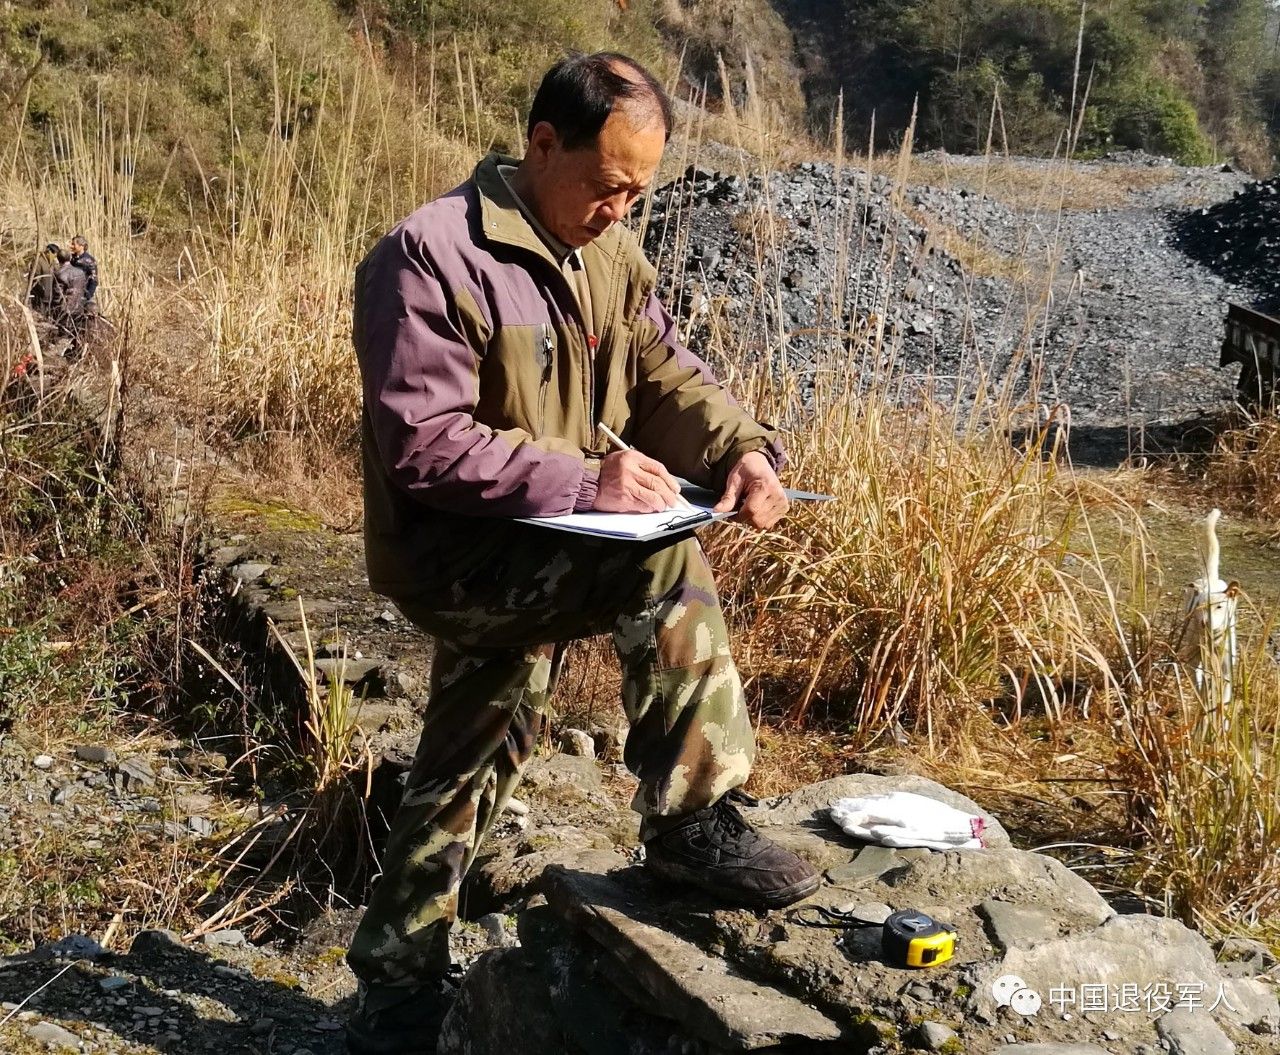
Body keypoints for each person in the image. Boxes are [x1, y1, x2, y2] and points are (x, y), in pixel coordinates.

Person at [347, 52, 819, 1054]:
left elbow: (662, 371)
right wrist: (581, 480)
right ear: (543, 145)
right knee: (660, 558)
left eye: (640, 192)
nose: (621, 210)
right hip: (461, 559)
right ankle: (694, 817)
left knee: (464, 764)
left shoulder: (608, 254)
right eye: (609, 186)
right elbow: (421, 443)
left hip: (543, 546)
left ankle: (392, 993)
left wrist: (741, 449)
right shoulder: (428, 255)